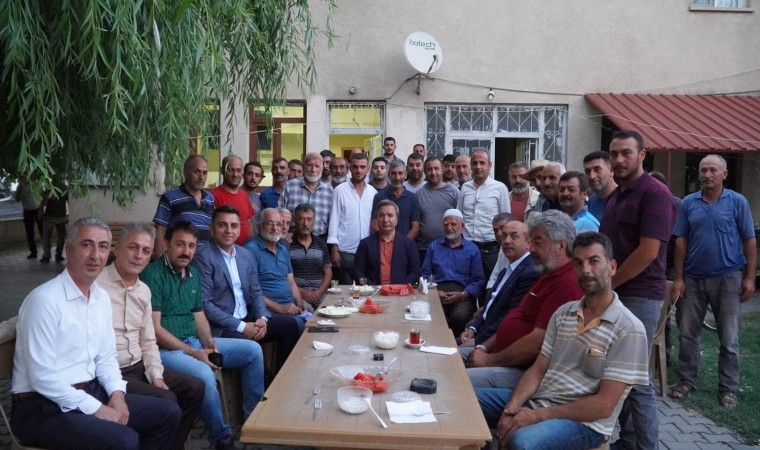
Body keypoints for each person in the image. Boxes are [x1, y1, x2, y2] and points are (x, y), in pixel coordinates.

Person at [12, 217, 181, 449]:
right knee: (124, 439)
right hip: (42, 407)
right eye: (86, 245)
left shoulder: (100, 297)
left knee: (168, 412)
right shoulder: (45, 300)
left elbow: (106, 357)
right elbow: (42, 378)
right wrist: (98, 409)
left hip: (89, 391)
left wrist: (117, 395)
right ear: (68, 250)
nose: (95, 255)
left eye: (102, 247)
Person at [476, 232, 650, 450]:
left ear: (612, 267)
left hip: (586, 424)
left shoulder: (629, 329)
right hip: (540, 401)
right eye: (578, 263)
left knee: (521, 442)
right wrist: (511, 410)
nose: (586, 270)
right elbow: (538, 369)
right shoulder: (563, 313)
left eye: (594, 261)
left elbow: (604, 406)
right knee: (468, 401)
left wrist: (537, 415)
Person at [141, 220, 265, 450]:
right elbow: (155, 330)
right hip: (166, 351)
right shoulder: (153, 275)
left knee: (253, 351)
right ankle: (221, 437)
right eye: (180, 244)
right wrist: (195, 353)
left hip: (194, 342)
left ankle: (253, 420)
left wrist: (209, 344)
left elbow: (199, 316)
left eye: (191, 246)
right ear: (166, 244)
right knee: (204, 375)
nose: (186, 251)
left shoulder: (193, 274)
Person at [599, 129, 677, 450]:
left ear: (642, 155)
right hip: (617, 294)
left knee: (636, 378)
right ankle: (629, 440)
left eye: (626, 153)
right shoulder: (616, 195)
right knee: (619, 374)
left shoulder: (655, 193)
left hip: (640, 294)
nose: (618, 159)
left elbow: (648, 252)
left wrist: (609, 285)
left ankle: (646, 446)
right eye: (614, 154)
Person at [99, 222, 204, 450]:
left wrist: (156, 376)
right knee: (167, 400)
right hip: (111, 373)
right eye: (133, 247)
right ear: (117, 248)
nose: (139, 256)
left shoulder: (143, 291)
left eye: (146, 251)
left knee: (194, 388)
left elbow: (148, 342)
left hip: (139, 367)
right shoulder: (97, 286)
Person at [670, 154, 756, 409]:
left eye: (712, 170)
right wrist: (679, 278)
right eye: (703, 170)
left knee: (729, 338)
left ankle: (728, 390)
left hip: (728, 277)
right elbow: (681, 241)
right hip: (693, 278)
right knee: (687, 334)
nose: (707, 175)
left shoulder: (737, 202)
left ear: (724, 174)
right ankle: (686, 381)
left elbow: (749, 240)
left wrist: (750, 277)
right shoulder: (689, 203)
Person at [465, 210, 583, 389]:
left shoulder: (567, 284)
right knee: (445, 361)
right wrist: (483, 348)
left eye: (538, 243)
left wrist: (489, 360)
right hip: (498, 356)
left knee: (456, 379)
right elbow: (515, 317)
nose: (532, 249)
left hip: (521, 371)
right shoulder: (546, 274)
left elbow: (536, 343)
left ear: (560, 245)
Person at [193, 206, 300, 371]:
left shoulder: (244, 254)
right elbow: (205, 304)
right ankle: (268, 385)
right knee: (251, 348)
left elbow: (255, 291)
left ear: (239, 230)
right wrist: (242, 327)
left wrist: (262, 318)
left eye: (234, 226)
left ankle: (283, 374)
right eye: (222, 225)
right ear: (211, 228)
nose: (229, 230)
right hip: (223, 325)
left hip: (248, 316)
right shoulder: (203, 256)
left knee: (289, 325)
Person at [460, 218, 540, 347]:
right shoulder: (507, 269)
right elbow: (490, 306)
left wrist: (478, 341)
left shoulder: (530, 273)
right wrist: (472, 329)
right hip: (481, 332)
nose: (507, 241)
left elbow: (510, 316)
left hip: (494, 342)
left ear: (528, 243)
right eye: (504, 236)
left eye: (514, 236)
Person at [421, 209, 485, 336]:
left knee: (459, 316)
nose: (449, 228)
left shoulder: (472, 249)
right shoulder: (434, 247)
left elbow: (479, 280)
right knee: (434, 315)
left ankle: (454, 345)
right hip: (438, 293)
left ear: (462, 226)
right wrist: (435, 292)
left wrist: (462, 294)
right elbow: (424, 275)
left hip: (463, 295)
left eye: (453, 224)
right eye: (446, 224)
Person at [244, 208, 310, 332]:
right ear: (260, 226)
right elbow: (249, 290)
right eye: (270, 223)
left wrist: (300, 303)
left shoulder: (283, 250)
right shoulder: (251, 250)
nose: (275, 228)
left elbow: (291, 282)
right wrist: (280, 308)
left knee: (315, 317)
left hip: (289, 306)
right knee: (295, 325)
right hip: (266, 311)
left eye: (278, 224)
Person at [458, 148, 511, 278]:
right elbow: (459, 215)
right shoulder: (465, 187)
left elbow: (506, 219)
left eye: (482, 163)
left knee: (490, 283)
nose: (478, 166)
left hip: (490, 248)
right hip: (467, 246)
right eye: (475, 163)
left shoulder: (499, 188)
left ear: (489, 165)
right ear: (471, 165)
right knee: (467, 282)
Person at [327, 153, 377, 284]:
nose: (359, 170)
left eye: (362, 167)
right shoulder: (339, 191)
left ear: (368, 168)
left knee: (367, 289)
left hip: (368, 250)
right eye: (355, 167)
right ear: (350, 168)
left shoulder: (373, 192)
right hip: (345, 250)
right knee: (346, 290)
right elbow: (334, 220)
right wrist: (334, 250)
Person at [152, 155, 215, 257]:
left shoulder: (210, 198)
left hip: (205, 258)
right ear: (185, 172)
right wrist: (160, 260)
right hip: (181, 257)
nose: (201, 177)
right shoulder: (170, 197)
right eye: (196, 172)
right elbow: (160, 230)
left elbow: (211, 229)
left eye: (205, 173)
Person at [354, 200, 420, 286]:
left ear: (396, 220)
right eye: (381, 215)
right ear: (377, 219)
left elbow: (415, 272)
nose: (385, 220)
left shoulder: (409, 244)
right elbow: (358, 272)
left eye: (390, 215)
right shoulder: (365, 244)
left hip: (400, 292)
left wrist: (399, 288)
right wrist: (373, 288)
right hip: (372, 291)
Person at [278, 152, 333, 239]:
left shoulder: (329, 191)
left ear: (322, 169)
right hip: (292, 239)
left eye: (317, 166)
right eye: (310, 165)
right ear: (304, 167)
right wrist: (283, 234)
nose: (313, 170)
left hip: (321, 240)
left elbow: (332, 220)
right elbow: (279, 212)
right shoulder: (290, 186)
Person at [417, 157, 460, 262]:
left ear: (442, 170)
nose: (433, 172)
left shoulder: (454, 192)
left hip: (449, 247)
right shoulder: (418, 194)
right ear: (425, 171)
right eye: (429, 169)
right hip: (424, 249)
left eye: (436, 168)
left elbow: (460, 220)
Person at [290, 203, 333, 308]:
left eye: (309, 219)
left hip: (320, 294)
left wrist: (318, 293)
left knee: (335, 309)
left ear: (313, 222)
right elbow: (283, 276)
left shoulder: (321, 243)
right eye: (301, 219)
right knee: (307, 311)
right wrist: (302, 293)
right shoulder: (287, 244)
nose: (305, 224)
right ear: (295, 221)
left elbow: (328, 273)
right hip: (297, 295)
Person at [210, 155, 255, 245]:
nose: (235, 174)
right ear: (222, 171)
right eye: (231, 170)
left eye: (238, 170)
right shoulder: (213, 195)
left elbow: (249, 222)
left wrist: (252, 243)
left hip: (246, 249)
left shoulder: (244, 195)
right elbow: (211, 226)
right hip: (224, 249)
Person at [371, 159, 421, 239]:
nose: (397, 177)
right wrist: (388, 243)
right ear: (389, 175)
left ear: (405, 175)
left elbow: (415, 229)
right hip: (383, 244)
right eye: (394, 173)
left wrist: (402, 244)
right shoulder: (379, 197)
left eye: (400, 173)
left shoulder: (413, 198)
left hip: (405, 245)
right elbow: (375, 226)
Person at [38, 174, 69, 263]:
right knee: (60, 237)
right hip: (59, 216)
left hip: (50, 216)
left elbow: (44, 200)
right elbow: (69, 201)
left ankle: (47, 255)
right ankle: (57, 255)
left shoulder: (49, 187)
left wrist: (40, 211)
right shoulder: (64, 188)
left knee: (47, 237)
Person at [583, 150, 618, 222]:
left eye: (597, 170)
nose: (592, 176)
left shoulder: (624, 200)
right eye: (588, 171)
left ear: (611, 171)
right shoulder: (592, 201)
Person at [15, 173, 42, 259]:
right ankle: (33, 252)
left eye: (24, 177)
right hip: (27, 211)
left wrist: (41, 209)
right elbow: (17, 199)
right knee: (30, 233)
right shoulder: (20, 187)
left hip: (37, 210)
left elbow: (44, 195)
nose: (23, 179)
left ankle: (46, 252)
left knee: (43, 232)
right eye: (21, 177)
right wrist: (19, 189)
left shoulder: (35, 184)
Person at [242, 160, 265, 232]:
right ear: (244, 175)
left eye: (257, 175)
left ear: (260, 179)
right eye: (250, 174)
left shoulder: (259, 199)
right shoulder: (235, 194)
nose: (253, 178)